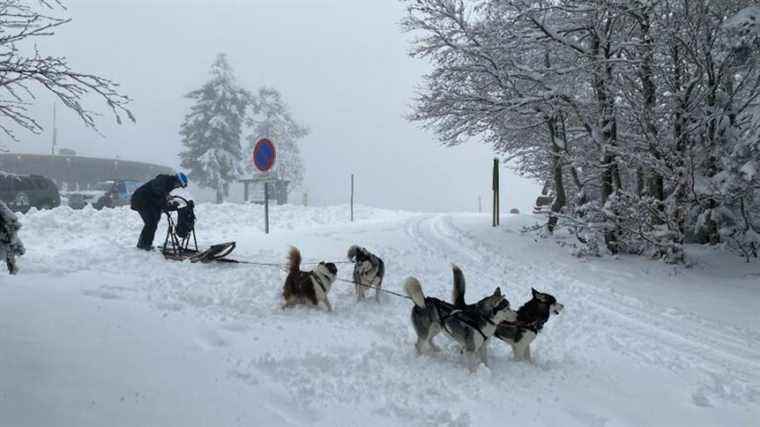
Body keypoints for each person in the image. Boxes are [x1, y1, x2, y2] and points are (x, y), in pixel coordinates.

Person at [130, 172, 189, 251]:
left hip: (148, 201)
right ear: (177, 181)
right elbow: (157, 190)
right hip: (141, 200)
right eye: (179, 185)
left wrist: (170, 205)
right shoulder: (164, 179)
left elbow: (159, 199)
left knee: (154, 220)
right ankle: (143, 245)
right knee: (151, 222)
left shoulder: (168, 184)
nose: (178, 187)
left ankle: (146, 244)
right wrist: (165, 196)